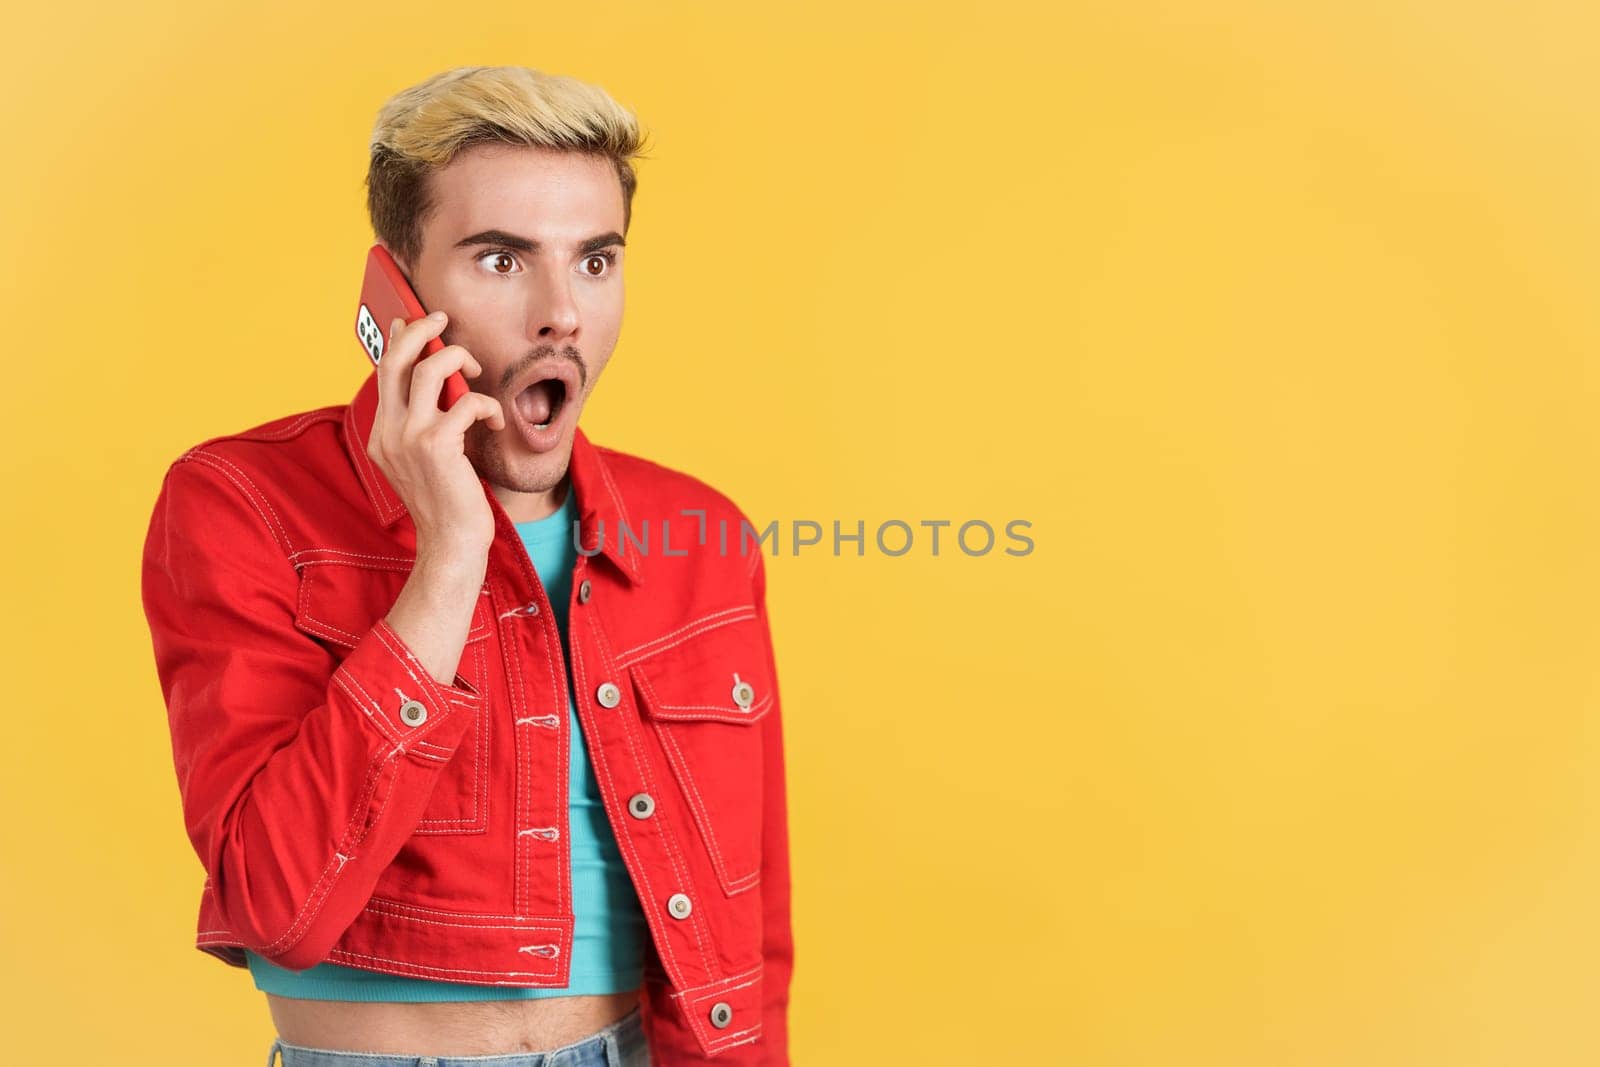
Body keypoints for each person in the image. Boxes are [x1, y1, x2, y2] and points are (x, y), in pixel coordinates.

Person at [139, 65, 793, 1067]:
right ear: (396, 291)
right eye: (501, 260)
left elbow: (750, 936)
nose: (561, 314)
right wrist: (447, 554)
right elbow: (276, 905)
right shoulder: (240, 501)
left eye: (596, 259)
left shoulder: (697, 531)